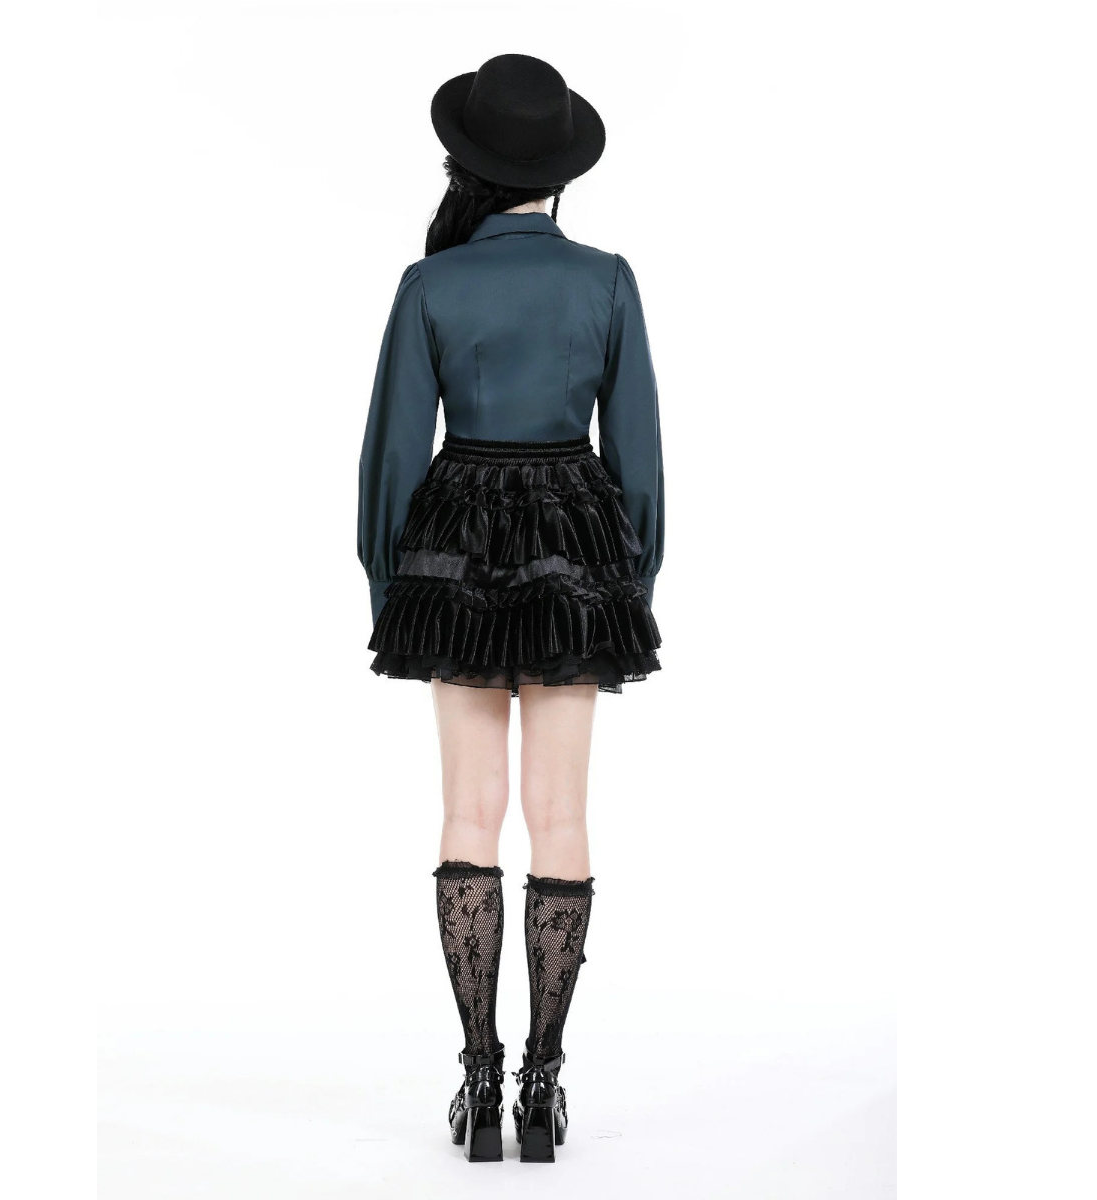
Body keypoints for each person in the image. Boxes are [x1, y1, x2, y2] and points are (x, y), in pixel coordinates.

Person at [357, 53, 664, 1164]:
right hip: (577, 548)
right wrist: (630, 586)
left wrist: (394, 588)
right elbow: (639, 458)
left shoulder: (429, 284)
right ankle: (544, 1085)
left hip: (457, 549)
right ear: (560, 172)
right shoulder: (608, 280)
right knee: (561, 815)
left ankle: (479, 1083)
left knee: (469, 809)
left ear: (469, 167)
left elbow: (394, 456)